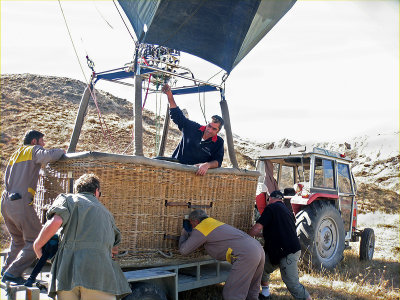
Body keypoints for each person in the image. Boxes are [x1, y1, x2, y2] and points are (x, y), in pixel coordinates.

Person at [33, 173, 131, 300]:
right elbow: (114, 249)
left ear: (77, 190)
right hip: (99, 278)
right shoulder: (107, 214)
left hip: (67, 275)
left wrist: (37, 246)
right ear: (96, 192)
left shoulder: (68, 200)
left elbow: (56, 221)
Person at [1, 130, 65, 284]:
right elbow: (48, 156)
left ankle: (5, 270)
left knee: (18, 241)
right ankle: (12, 273)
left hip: (6, 203)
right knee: (37, 239)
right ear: (35, 141)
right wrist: (62, 151)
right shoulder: (33, 150)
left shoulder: (15, 154)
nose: (44, 145)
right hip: (21, 203)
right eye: (42, 141)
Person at [179, 209, 264, 300]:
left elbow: (184, 250)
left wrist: (184, 233)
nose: (192, 227)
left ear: (195, 221)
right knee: (252, 291)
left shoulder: (202, 228)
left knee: (232, 294)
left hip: (247, 255)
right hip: (258, 248)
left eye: (191, 224)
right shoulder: (214, 223)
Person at [248, 191, 312, 300]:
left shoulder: (271, 208)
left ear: (271, 199)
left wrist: (245, 238)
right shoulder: (286, 210)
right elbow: (277, 232)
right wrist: (259, 235)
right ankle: (265, 294)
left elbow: (257, 227)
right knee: (262, 268)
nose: (268, 202)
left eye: (268, 200)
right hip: (280, 250)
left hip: (288, 252)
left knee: (292, 284)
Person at [161, 84, 224, 175]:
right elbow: (177, 116)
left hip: (195, 176)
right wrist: (169, 95)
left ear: (218, 131)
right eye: (209, 126)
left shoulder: (219, 142)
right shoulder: (193, 127)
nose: (209, 130)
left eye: (214, 129)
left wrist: (207, 165)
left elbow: (218, 161)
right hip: (176, 169)